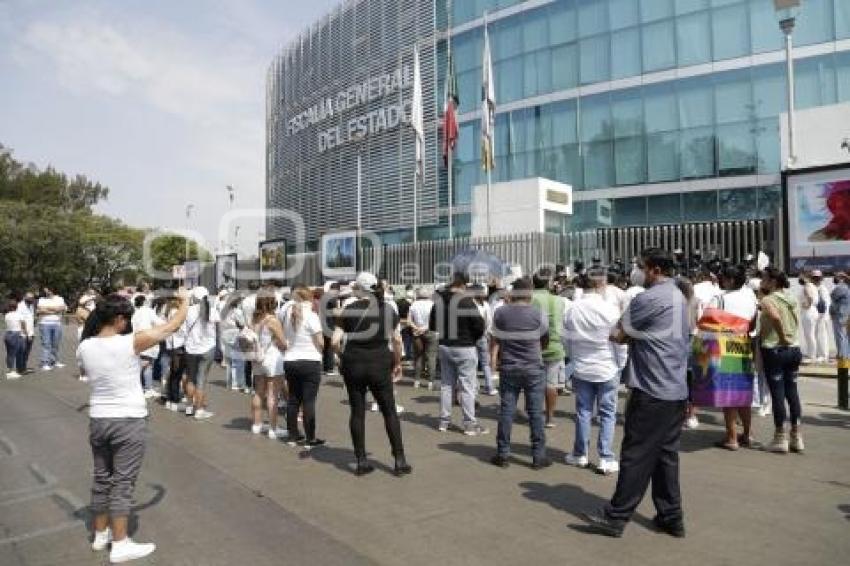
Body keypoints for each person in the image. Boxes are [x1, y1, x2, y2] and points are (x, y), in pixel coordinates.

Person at [580, 248, 691, 539]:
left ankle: (616, 517)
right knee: (665, 456)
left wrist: (630, 332)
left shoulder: (649, 298)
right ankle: (671, 516)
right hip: (674, 389)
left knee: (636, 455)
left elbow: (617, 334)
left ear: (654, 269)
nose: (636, 271)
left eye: (640, 266)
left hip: (651, 388)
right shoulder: (678, 294)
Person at [78, 289, 188, 563]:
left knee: (102, 478)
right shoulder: (129, 343)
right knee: (122, 484)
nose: (127, 324)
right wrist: (185, 301)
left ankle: (100, 534)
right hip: (128, 419)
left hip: (99, 418)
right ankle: (120, 543)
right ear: (117, 319)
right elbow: (172, 326)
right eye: (125, 319)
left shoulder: (85, 346)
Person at [335, 271, 410, 476]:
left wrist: (340, 356)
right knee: (389, 411)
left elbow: (334, 341)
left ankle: (361, 460)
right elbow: (396, 341)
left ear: (358, 289)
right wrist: (398, 362)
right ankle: (399, 459)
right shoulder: (388, 310)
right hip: (380, 363)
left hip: (354, 364)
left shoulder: (347, 310)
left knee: (357, 412)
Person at [563, 269, 622, 475]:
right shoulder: (609, 309)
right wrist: (620, 364)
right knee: (607, 414)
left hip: (581, 366)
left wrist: (573, 358)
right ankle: (605, 457)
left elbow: (567, 340)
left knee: (583, 412)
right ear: (601, 284)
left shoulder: (572, 309)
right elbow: (620, 342)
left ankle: (580, 454)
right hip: (606, 365)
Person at [489, 277, 550, 469]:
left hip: (509, 366)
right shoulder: (538, 313)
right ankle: (538, 456)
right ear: (530, 293)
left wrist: (493, 360)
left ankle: (503, 454)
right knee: (535, 414)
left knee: (507, 411)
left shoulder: (501, 313)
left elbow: (496, 339)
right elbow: (545, 339)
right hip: (533, 367)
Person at [430, 274, 488, 436]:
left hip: (445, 345)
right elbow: (479, 326)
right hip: (465, 345)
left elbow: (433, 325)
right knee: (467, 387)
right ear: (463, 285)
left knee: (446, 385)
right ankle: (469, 424)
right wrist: (473, 339)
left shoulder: (439, 301)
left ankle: (444, 421)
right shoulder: (466, 301)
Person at [710, 265, 759, 450]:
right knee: (743, 394)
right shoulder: (750, 299)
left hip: (725, 347)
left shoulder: (719, 299)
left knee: (728, 396)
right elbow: (752, 326)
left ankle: (731, 438)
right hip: (744, 347)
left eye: (724, 277)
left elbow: (707, 323)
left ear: (730, 280)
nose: (721, 280)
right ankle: (747, 434)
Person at [759, 268, 804, 454]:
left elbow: (776, 317)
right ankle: (796, 435)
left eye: (764, 278)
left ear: (773, 281)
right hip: (794, 349)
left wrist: (782, 336)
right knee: (792, 392)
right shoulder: (792, 297)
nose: (762, 281)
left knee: (777, 393)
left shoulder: (768, 300)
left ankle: (780, 437)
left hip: (775, 349)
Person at [281, 285, 324, 447]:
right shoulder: (311, 316)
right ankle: (310, 438)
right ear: (309, 298)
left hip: (290, 360)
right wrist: (320, 348)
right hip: (309, 360)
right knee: (309, 401)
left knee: (293, 400)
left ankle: (292, 436)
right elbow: (320, 341)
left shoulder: (287, 314)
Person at [250, 286, 289, 439]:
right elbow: (283, 342)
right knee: (273, 394)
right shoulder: (272, 320)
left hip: (257, 358)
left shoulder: (254, 318)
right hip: (272, 358)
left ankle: (257, 424)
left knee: (258, 392)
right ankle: (273, 428)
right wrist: (286, 344)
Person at [531, 267, 566, 429]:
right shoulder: (558, 300)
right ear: (548, 283)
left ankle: (534, 413)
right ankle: (550, 417)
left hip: (531, 347)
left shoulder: (528, 299)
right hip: (554, 346)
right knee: (551, 384)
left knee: (533, 384)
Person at [184, 287, 220, 420]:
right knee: (201, 381)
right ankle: (199, 410)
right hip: (207, 348)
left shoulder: (188, 310)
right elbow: (217, 327)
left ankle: (189, 407)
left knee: (191, 378)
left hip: (190, 348)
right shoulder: (212, 311)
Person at [131, 295, 164, 398]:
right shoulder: (148, 311)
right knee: (146, 364)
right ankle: (143, 388)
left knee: (147, 366)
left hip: (138, 340)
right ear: (144, 301)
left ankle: (147, 388)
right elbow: (159, 323)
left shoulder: (135, 313)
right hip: (148, 340)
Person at [163, 296, 188, 412]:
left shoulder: (169, 311)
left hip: (173, 345)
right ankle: (174, 399)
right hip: (177, 345)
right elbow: (179, 328)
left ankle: (170, 398)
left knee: (174, 373)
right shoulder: (175, 312)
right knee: (176, 374)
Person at [471, 284, 497, 396]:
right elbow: (490, 322)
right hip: (483, 336)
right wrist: (487, 333)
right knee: (485, 363)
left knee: (473, 363)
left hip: (472, 337)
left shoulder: (471, 305)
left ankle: (475, 388)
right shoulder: (486, 305)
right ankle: (490, 387)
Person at [410, 287, 437, 390]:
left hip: (417, 332)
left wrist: (417, 328)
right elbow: (435, 320)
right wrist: (425, 328)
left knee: (418, 357)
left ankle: (416, 381)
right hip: (431, 332)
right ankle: (430, 382)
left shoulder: (414, 305)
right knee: (431, 357)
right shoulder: (432, 305)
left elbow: (409, 320)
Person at [36, 286, 67, 371]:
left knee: (55, 344)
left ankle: (54, 361)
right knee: (46, 344)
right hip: (44, 324)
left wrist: (47, 309)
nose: (46, 291)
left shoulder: (60, 298)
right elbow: (40, 310)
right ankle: (45, 363)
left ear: (51, 290)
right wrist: (55, 310)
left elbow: (62, 308)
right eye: (45, 290)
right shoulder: (41, 299)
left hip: (57, 324)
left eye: (47, 290)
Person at [811, 271, 832, 363]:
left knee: (822, 335)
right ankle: (819, 354)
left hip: (822, 315)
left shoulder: (822, 288)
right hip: (816, 315)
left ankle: (823, 355)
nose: (816, 279)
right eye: (814, 277)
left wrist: (823, 315)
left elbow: (826, 303)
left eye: (817, 278)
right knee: (816, 335)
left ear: (821, 278)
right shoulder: (813, 288)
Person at [798, 272, 819, 361]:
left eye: (801, 276)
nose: (799, 278)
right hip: (812, 311)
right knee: (810, 334)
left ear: (806, 277)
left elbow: (810, 297)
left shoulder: (807, 286)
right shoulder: (813, 286)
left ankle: (812, 356)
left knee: (809, 334)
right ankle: (811, 354)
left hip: (808, 312)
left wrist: (807, 305)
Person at [830, 272, 850, 361]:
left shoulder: (842, 287)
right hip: (845, 315)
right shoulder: (847, 287)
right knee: (845, 336)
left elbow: (833, 295)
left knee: (840, 336)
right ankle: (845, 355)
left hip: (840, 315)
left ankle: (842, 355)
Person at [4, 298, 26, 379]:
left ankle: (10, 369)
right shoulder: (19, 315)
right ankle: (12, 371)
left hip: (8, 334)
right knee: (17, 352)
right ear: (16, 306)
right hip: (16, 334)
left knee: (10, 353)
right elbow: (23, 325)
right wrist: (25, 334)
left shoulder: (7, 315)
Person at [16, 292, 36, 373]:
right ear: (24, 297)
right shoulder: (20, 306)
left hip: (31, 332)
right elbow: (21, 321)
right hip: (23, 334)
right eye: (29, 297)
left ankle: (23, 367)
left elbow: (30, 318)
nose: (31, 299)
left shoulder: (31, 306)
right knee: (21, 351)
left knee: (27, 352)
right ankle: (19, 369)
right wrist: (27, 334)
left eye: (32, 298)